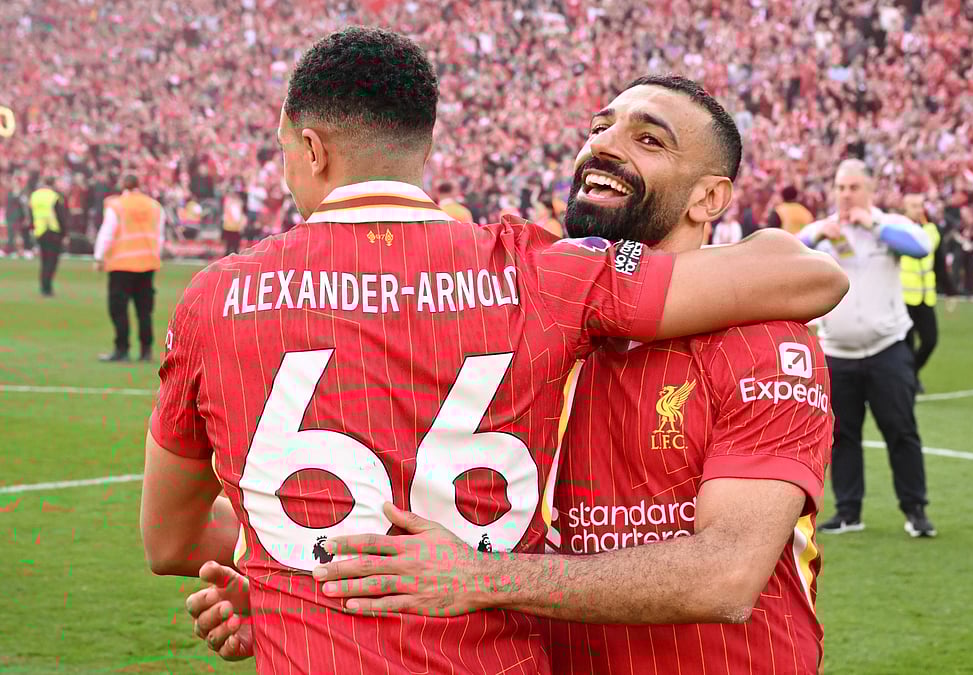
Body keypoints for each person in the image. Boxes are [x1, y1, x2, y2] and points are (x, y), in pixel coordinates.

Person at [139, 28, 848, 672]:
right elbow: (434, 514)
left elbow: (725, 576)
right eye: (599, 127)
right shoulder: (547, 305)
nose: (604, 143)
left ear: (710, 196)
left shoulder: (756, 338)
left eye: (648, 139)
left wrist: (479, 576)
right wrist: (289, 574)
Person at [797, 159, 937, 538]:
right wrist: (817, 238)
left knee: (901, 430)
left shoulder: (888, 226)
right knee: (842, 436)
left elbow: (921, 247)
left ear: (870, 191)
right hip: (838, 351)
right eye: (841, 188)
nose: (846, 195)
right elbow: (790, 250)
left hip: (886, 348)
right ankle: (848, 511)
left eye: (854, 187)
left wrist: (871, 224)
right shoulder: (824, 230)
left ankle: (915, 510)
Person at [94, 175, 165, 362]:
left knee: (119, 309)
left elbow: (107, 233)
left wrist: (99, 257)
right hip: (147, 263)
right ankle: (146, 350)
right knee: (144, 310)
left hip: (121, 264)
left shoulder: (117, 205)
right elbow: (160, 235)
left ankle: (122, 349)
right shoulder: (154, 206)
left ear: (123, 186)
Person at [899, 193, 940, 393]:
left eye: (920, 205)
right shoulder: (897, 230)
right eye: (913, 205)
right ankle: (908, 380)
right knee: (906, 344)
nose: (918, 209)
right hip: (903, 297)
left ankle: (910, 373)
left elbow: (934, 255)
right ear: (905, 208)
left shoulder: (931, 230)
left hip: (925, 296)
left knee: (930, 340)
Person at [29, 177, 68, 297]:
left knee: (44, 259)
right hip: (53, 230)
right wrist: (65, 233)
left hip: (40, 230)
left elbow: (31, 213)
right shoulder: (54, 197)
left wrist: (33, 227)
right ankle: (47, 287)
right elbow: (61, 216)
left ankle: (44, 285)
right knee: (52, 261)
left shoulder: (34, 196)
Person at [5, 174, 33, 258]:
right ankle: (14, 250)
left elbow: (25, 207)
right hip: (11, 217)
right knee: (13, 235)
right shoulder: (10, 193)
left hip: (18, 217)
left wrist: (27, 218)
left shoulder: (22, 194)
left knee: (19, 235)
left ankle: (23, 251)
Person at [221, 188, 247, 256]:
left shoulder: (239, 203)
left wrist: (242, 226)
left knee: (235, 246)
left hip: (236, 227)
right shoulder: (229, 202)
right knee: (228, 245)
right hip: (229, 227)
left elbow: (242, 215)